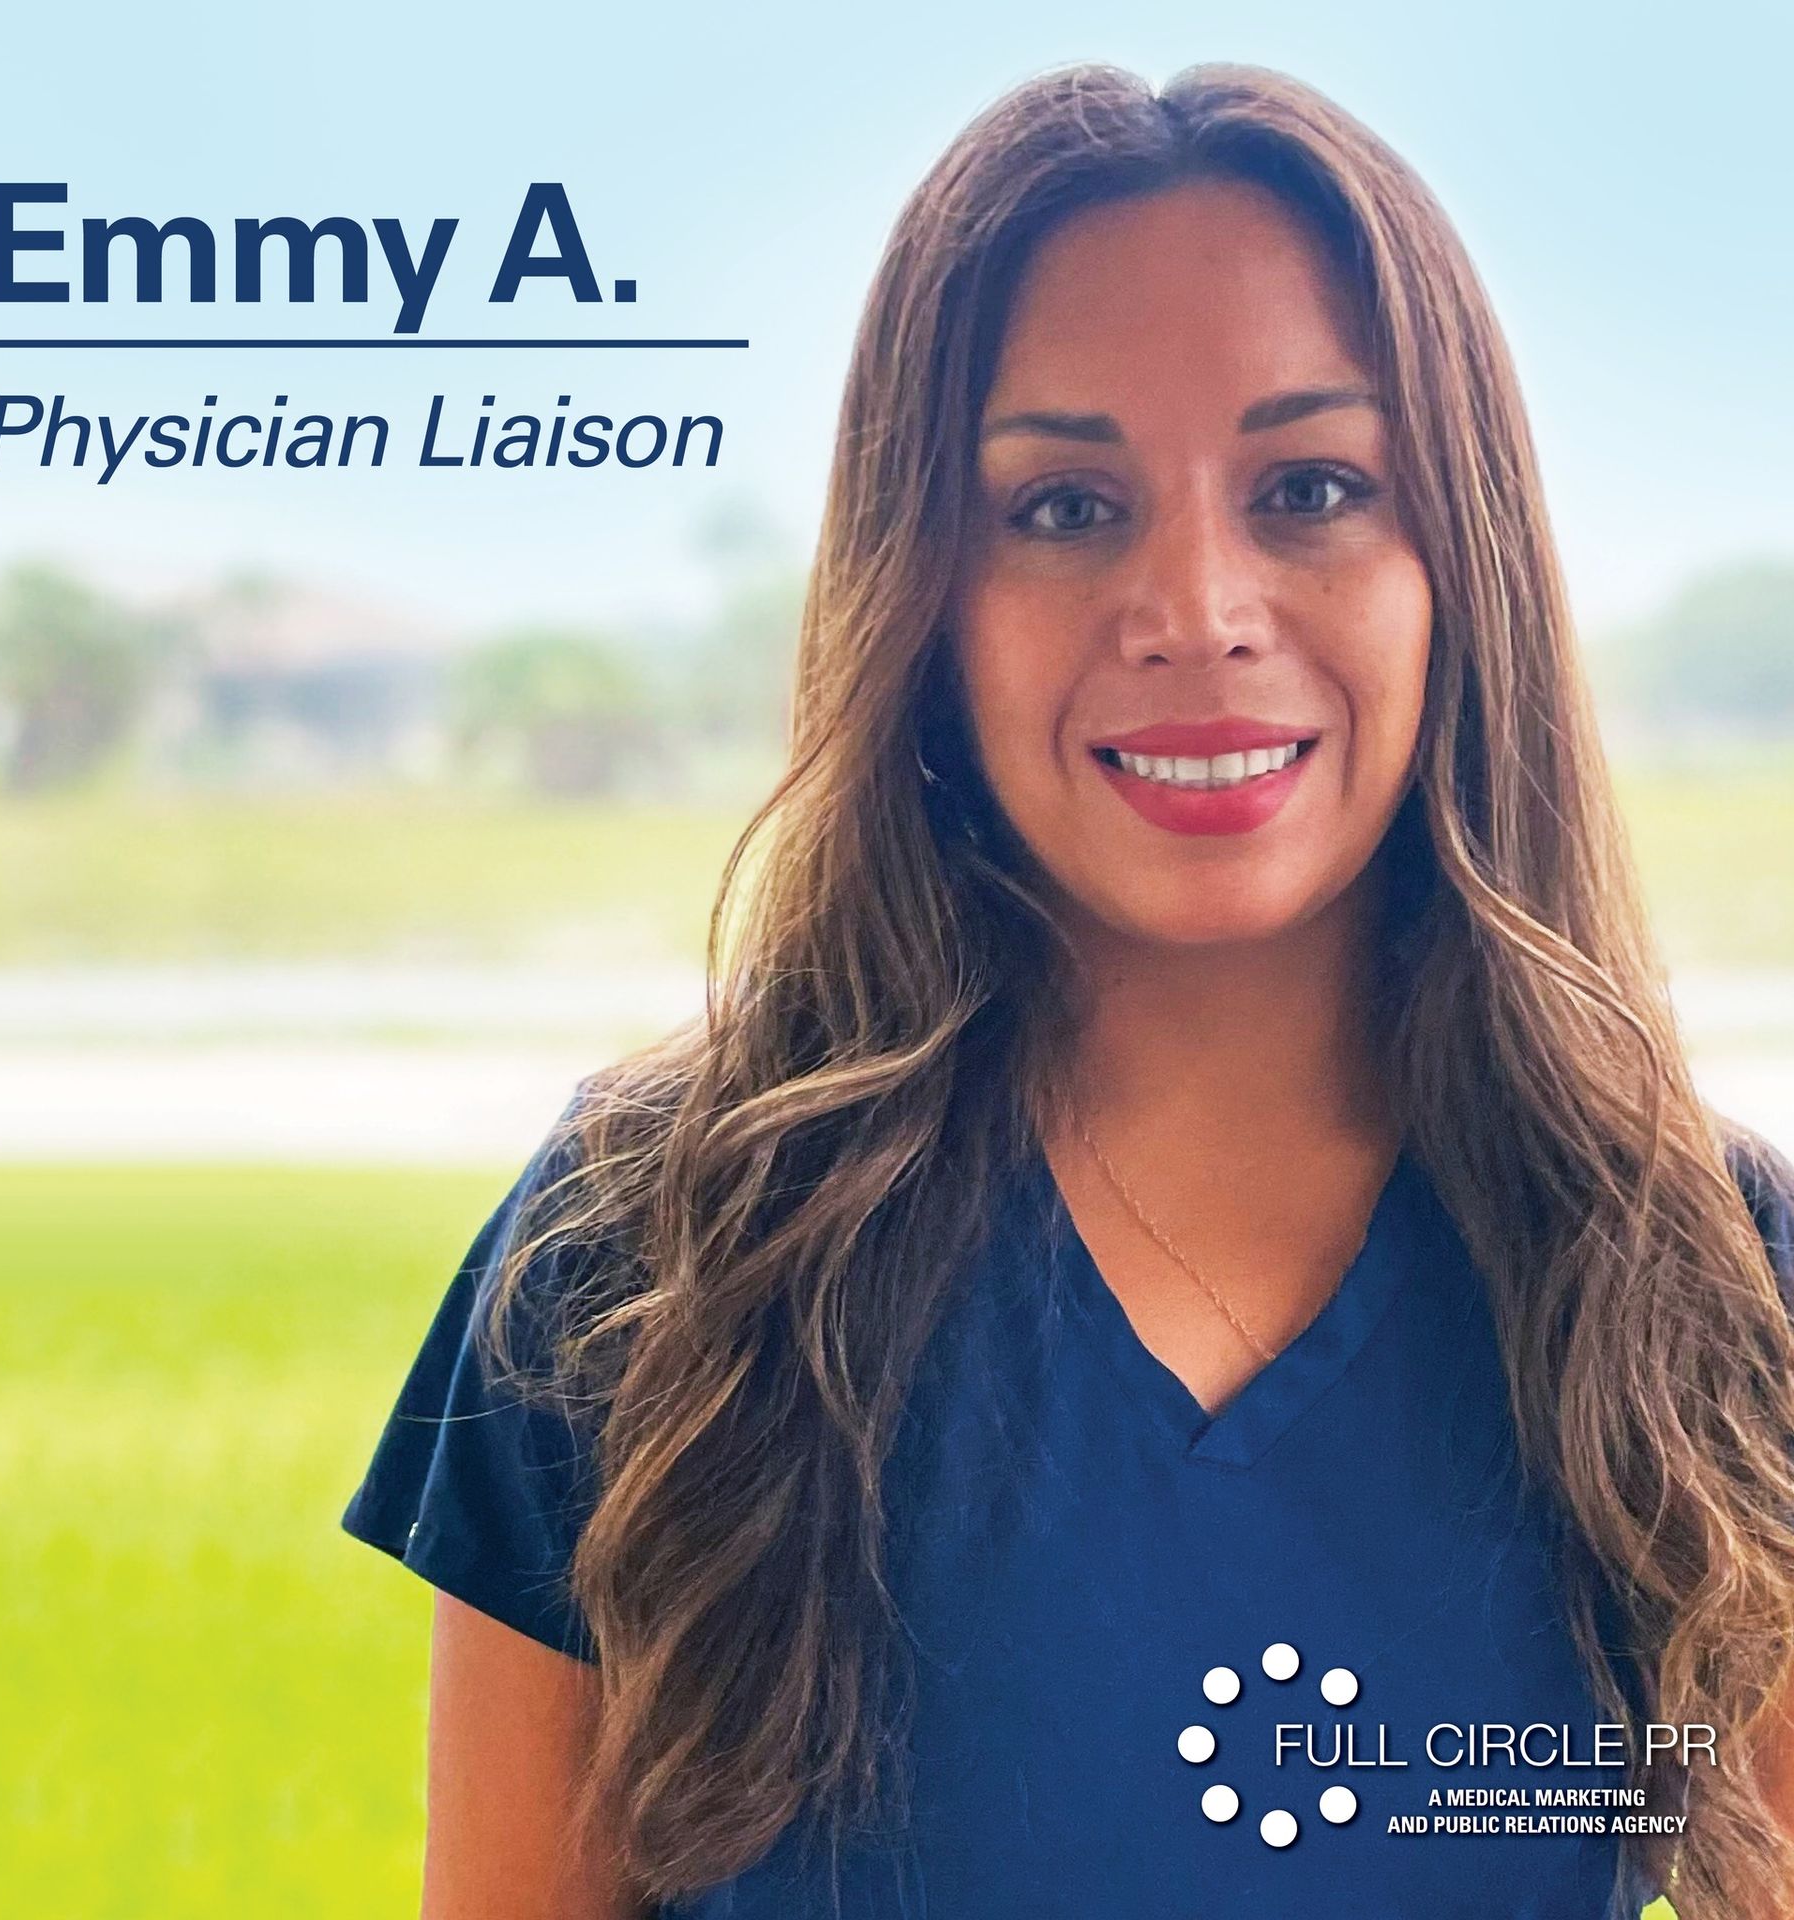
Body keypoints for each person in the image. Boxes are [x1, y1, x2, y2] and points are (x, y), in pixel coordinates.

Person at [340, 59, 1794, 1919]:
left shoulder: (1696, 1269)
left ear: (1463, 567)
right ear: (920, 592)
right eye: (1062, 506)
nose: (1195, 604)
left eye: (1313, 486)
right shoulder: (645, 1253)